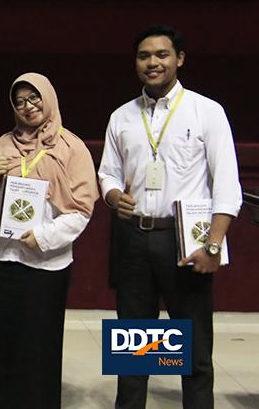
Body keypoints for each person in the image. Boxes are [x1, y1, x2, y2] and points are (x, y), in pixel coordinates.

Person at [98, 25, 242, 409]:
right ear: (136, 64)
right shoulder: (122, 116)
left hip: (185, 241)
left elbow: (227, 184)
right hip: (134, 238)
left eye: (162, 54)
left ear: (179, 59)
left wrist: (214, 244)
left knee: (192, 349)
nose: (153, 62)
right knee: (133, 346)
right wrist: (112, 194)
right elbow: (108, 172)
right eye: (144, 56)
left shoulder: (206, 111)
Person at [0, 73, 99, 409]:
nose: (28, 106)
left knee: (35, 343)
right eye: (20, 101)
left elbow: (82, 210)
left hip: (44, 265)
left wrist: (43, 236)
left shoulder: (72, 147)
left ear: (48, 99)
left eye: (34, 98)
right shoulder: (6, 141)